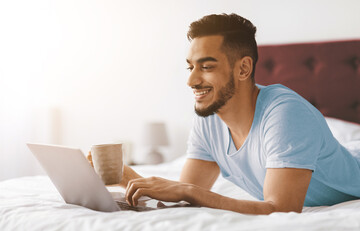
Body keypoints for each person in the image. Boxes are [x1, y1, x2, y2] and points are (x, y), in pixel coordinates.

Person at [89, 13, 360, 215]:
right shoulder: (209, 119)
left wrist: (190, 191)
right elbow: (182, 194)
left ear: (243, 69)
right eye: (190, 68)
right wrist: (123, 175)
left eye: (206, 67)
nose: (192, 81)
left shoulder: (286, 114)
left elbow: (281, 210)